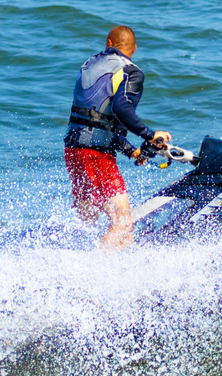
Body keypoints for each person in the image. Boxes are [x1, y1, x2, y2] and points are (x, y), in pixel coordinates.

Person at [63, 26, 171, 249]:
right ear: (135, 48)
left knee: (88, 223)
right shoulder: (131, 72)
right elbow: (121, 110)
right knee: (123, 224)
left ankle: (77, 264)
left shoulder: (88, 65)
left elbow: (97, 120)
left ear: (108, 43)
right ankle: (93, 272)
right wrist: (151, 136)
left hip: (74, 151)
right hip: (97, 157)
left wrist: (131, 150)